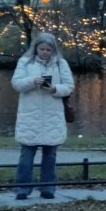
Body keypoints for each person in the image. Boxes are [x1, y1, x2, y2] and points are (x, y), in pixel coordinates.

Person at [11, 32, 74, 200]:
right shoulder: (25, 62)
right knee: (26, 155)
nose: (45, 52)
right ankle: (22, 189)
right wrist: (33, 81)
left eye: (48, 49)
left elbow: (69, 86)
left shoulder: (61, 64)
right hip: (29, 115)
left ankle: (48, 188)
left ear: (53, 50)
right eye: (42, 49)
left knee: (50, 155)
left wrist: (54, 89)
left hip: (53, 116)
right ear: (36, 48)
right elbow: (16, 84)